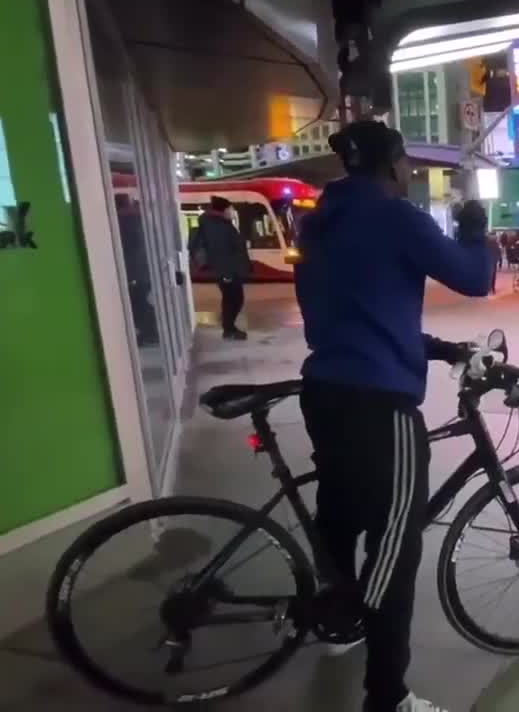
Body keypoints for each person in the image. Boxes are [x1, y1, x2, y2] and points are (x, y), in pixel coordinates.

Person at [294, 120, 489, 712]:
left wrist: (434, 347)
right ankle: (387, 697)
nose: (409, 172)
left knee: (341, 514)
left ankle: (337, 621)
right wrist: (476, 228)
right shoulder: (396, 216)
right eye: (406, 162)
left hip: (324, 393)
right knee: (395, 550)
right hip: (382, 408)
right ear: (393, 165)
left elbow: (363, 315)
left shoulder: (318, 223)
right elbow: (475, 278)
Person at [189, 195, 251, 340]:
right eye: (230, 208)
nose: (232, 211)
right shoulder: (217, 226)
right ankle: (229, 329)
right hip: (227, 270)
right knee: (233, 299)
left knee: (233, 299)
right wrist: (227, 273)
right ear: (223, 209)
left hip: (228, 269)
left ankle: (229, 328)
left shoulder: (219, 224)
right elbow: (220, 251)